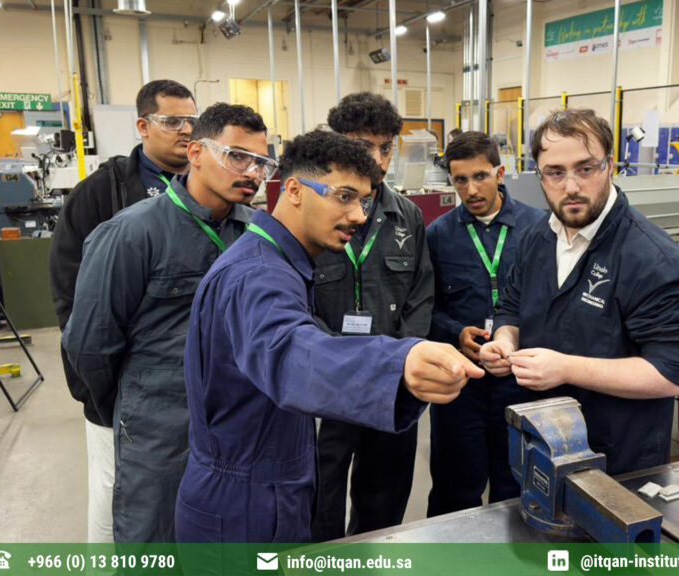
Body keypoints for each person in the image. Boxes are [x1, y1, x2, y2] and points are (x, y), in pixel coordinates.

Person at [175, 129, 481, 545]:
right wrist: (397, 363)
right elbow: (290, 352)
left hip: (266, 488)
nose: (359, 215)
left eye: (364, 200)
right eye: (344, 196)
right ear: (294, 190)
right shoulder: (259, 275)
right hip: (244, 508)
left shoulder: (278, 262)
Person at [63, 103, 273, 542]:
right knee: (156, 540)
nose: (252, 172)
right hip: (158, 426)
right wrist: (133, 404)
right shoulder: (133, 233)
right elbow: (89, 343)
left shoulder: (258, 234)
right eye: (237, 156)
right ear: (196, 153)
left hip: (238, 422)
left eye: (261, 162)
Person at [479, 108, 679, 475]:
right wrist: (505, 341)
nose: (571, 187)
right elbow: (511, 307)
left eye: (585, 169)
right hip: (543, 442)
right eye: (556, 172)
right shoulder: (535, 238)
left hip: (618, 460)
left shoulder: (652, 259)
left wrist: (566, 368)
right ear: (540, 175)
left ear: (610, 167)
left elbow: (671, 373)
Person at [49, 79, 197, 543]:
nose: (186, 130)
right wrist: (103, 388)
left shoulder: (201, 190)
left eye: (192, 121)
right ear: (143, 126)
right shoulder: (101, 194)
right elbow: (71, 295)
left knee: (171, 498)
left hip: (181, 390)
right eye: (173, 121)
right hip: (115, 384)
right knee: (115, 493)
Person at [311, 92, 434, 540]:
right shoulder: (313, 210)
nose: (379, 159)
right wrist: (331, 360)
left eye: (386, 147)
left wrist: (402, 360)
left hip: (389, 381)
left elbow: (421, 294)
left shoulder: (407, 216)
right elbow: (296, 296)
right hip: (326, 382)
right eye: (365, 147)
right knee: (318, 493)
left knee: (384, 494)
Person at [425, 132, 544, 516]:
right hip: (462, 382)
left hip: (520, 379)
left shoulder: (539, 228)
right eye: (460, 180)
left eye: (480, 176)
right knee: (456, 484)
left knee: (516, 482)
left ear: (500, 173)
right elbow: (426, 308)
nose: (471, 189)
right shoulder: (438, 235)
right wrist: (455, 332)